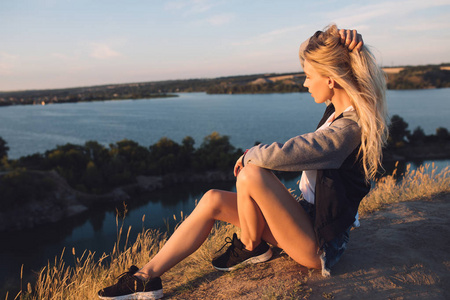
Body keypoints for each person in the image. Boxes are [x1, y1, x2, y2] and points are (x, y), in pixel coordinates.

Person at [97, 24, 388, 300]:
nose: (304, 82)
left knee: (252, 174)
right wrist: (344, 42)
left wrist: (251, 153)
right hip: (304, 220)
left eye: (309, 76)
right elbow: (349, 73)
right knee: (212, 199)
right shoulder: (337, 113)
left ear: (330, 79)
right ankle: (147, 278)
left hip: (320, 245)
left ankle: (251, 245)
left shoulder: (350, 130)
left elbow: (292, 152)